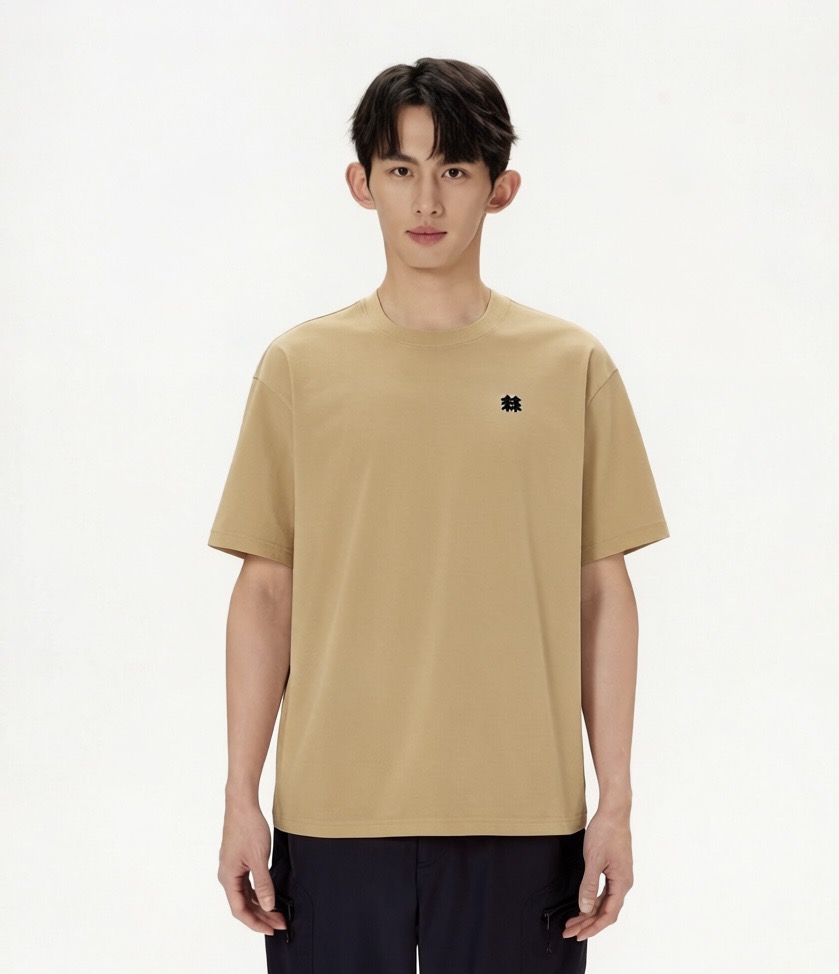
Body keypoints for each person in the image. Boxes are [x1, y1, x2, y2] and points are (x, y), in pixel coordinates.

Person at [208, 57, 670, 974]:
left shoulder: (568, 367)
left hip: (523, 814)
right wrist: (239, 797)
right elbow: (266, 592)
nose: (426, 199)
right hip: (334, 812)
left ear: (501, 189)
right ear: (361, 184)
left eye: (454, 169)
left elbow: (600, 594)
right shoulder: (299, 368)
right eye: (401, 168)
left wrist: (614, 799)